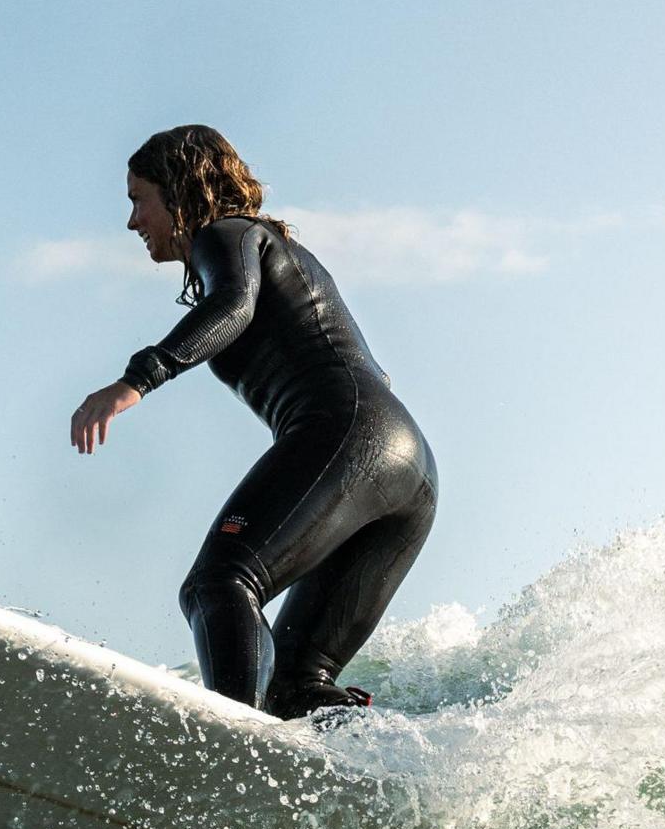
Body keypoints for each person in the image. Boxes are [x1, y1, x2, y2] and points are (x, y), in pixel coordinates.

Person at [68, 125, 438, 720]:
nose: (133, 222)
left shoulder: (229, 233)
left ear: (180, 191)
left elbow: (232, 306)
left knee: (218, 585)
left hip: (352, 435)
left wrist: (137, 380)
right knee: (301, 683)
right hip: (407, 470)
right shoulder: (282, 256)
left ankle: (231, 756)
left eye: (139, 200)